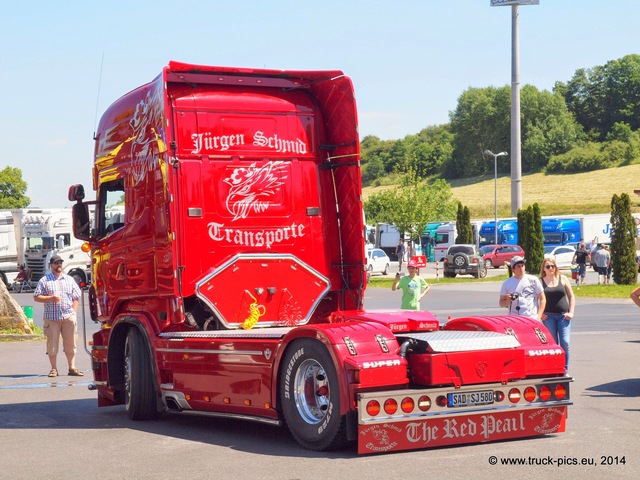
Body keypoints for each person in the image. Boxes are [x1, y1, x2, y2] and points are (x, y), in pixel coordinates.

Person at [34, 255, 83, 377]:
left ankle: (72, 367)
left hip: (68, 316)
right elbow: (36, 297)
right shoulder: (44, 280)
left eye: (60, 262)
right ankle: (53, 369)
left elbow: (76, 296)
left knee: (71, 342)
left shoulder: (69, 279)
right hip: (52, 317)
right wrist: (51, 298)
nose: (59, 265)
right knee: (52, 343)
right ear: (51, 265)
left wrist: (74, 312)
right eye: (56, 263)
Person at [539, 257, 575, 372]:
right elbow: (535, 300)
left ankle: (565, 369)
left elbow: (571, 296)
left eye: (552, 266)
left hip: (563, 316)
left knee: (565, 342)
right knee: (553, 344)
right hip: (548, 316)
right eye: (548, 267)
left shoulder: (562, 278)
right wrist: (540, 314)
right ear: (543, 269)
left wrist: (571, 312)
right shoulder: (540, 281)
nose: (551, 269)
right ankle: (555, 369)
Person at [499, 256, 546, 320]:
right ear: (513, 269)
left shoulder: (533, 280)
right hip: (514, 319)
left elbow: (543, 299)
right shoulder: (507, 283)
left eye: (522, 265)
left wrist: (539, 316)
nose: (521, 268)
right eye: (518, 266)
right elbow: (501, 303)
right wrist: (508, 301)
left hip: (532, 318)